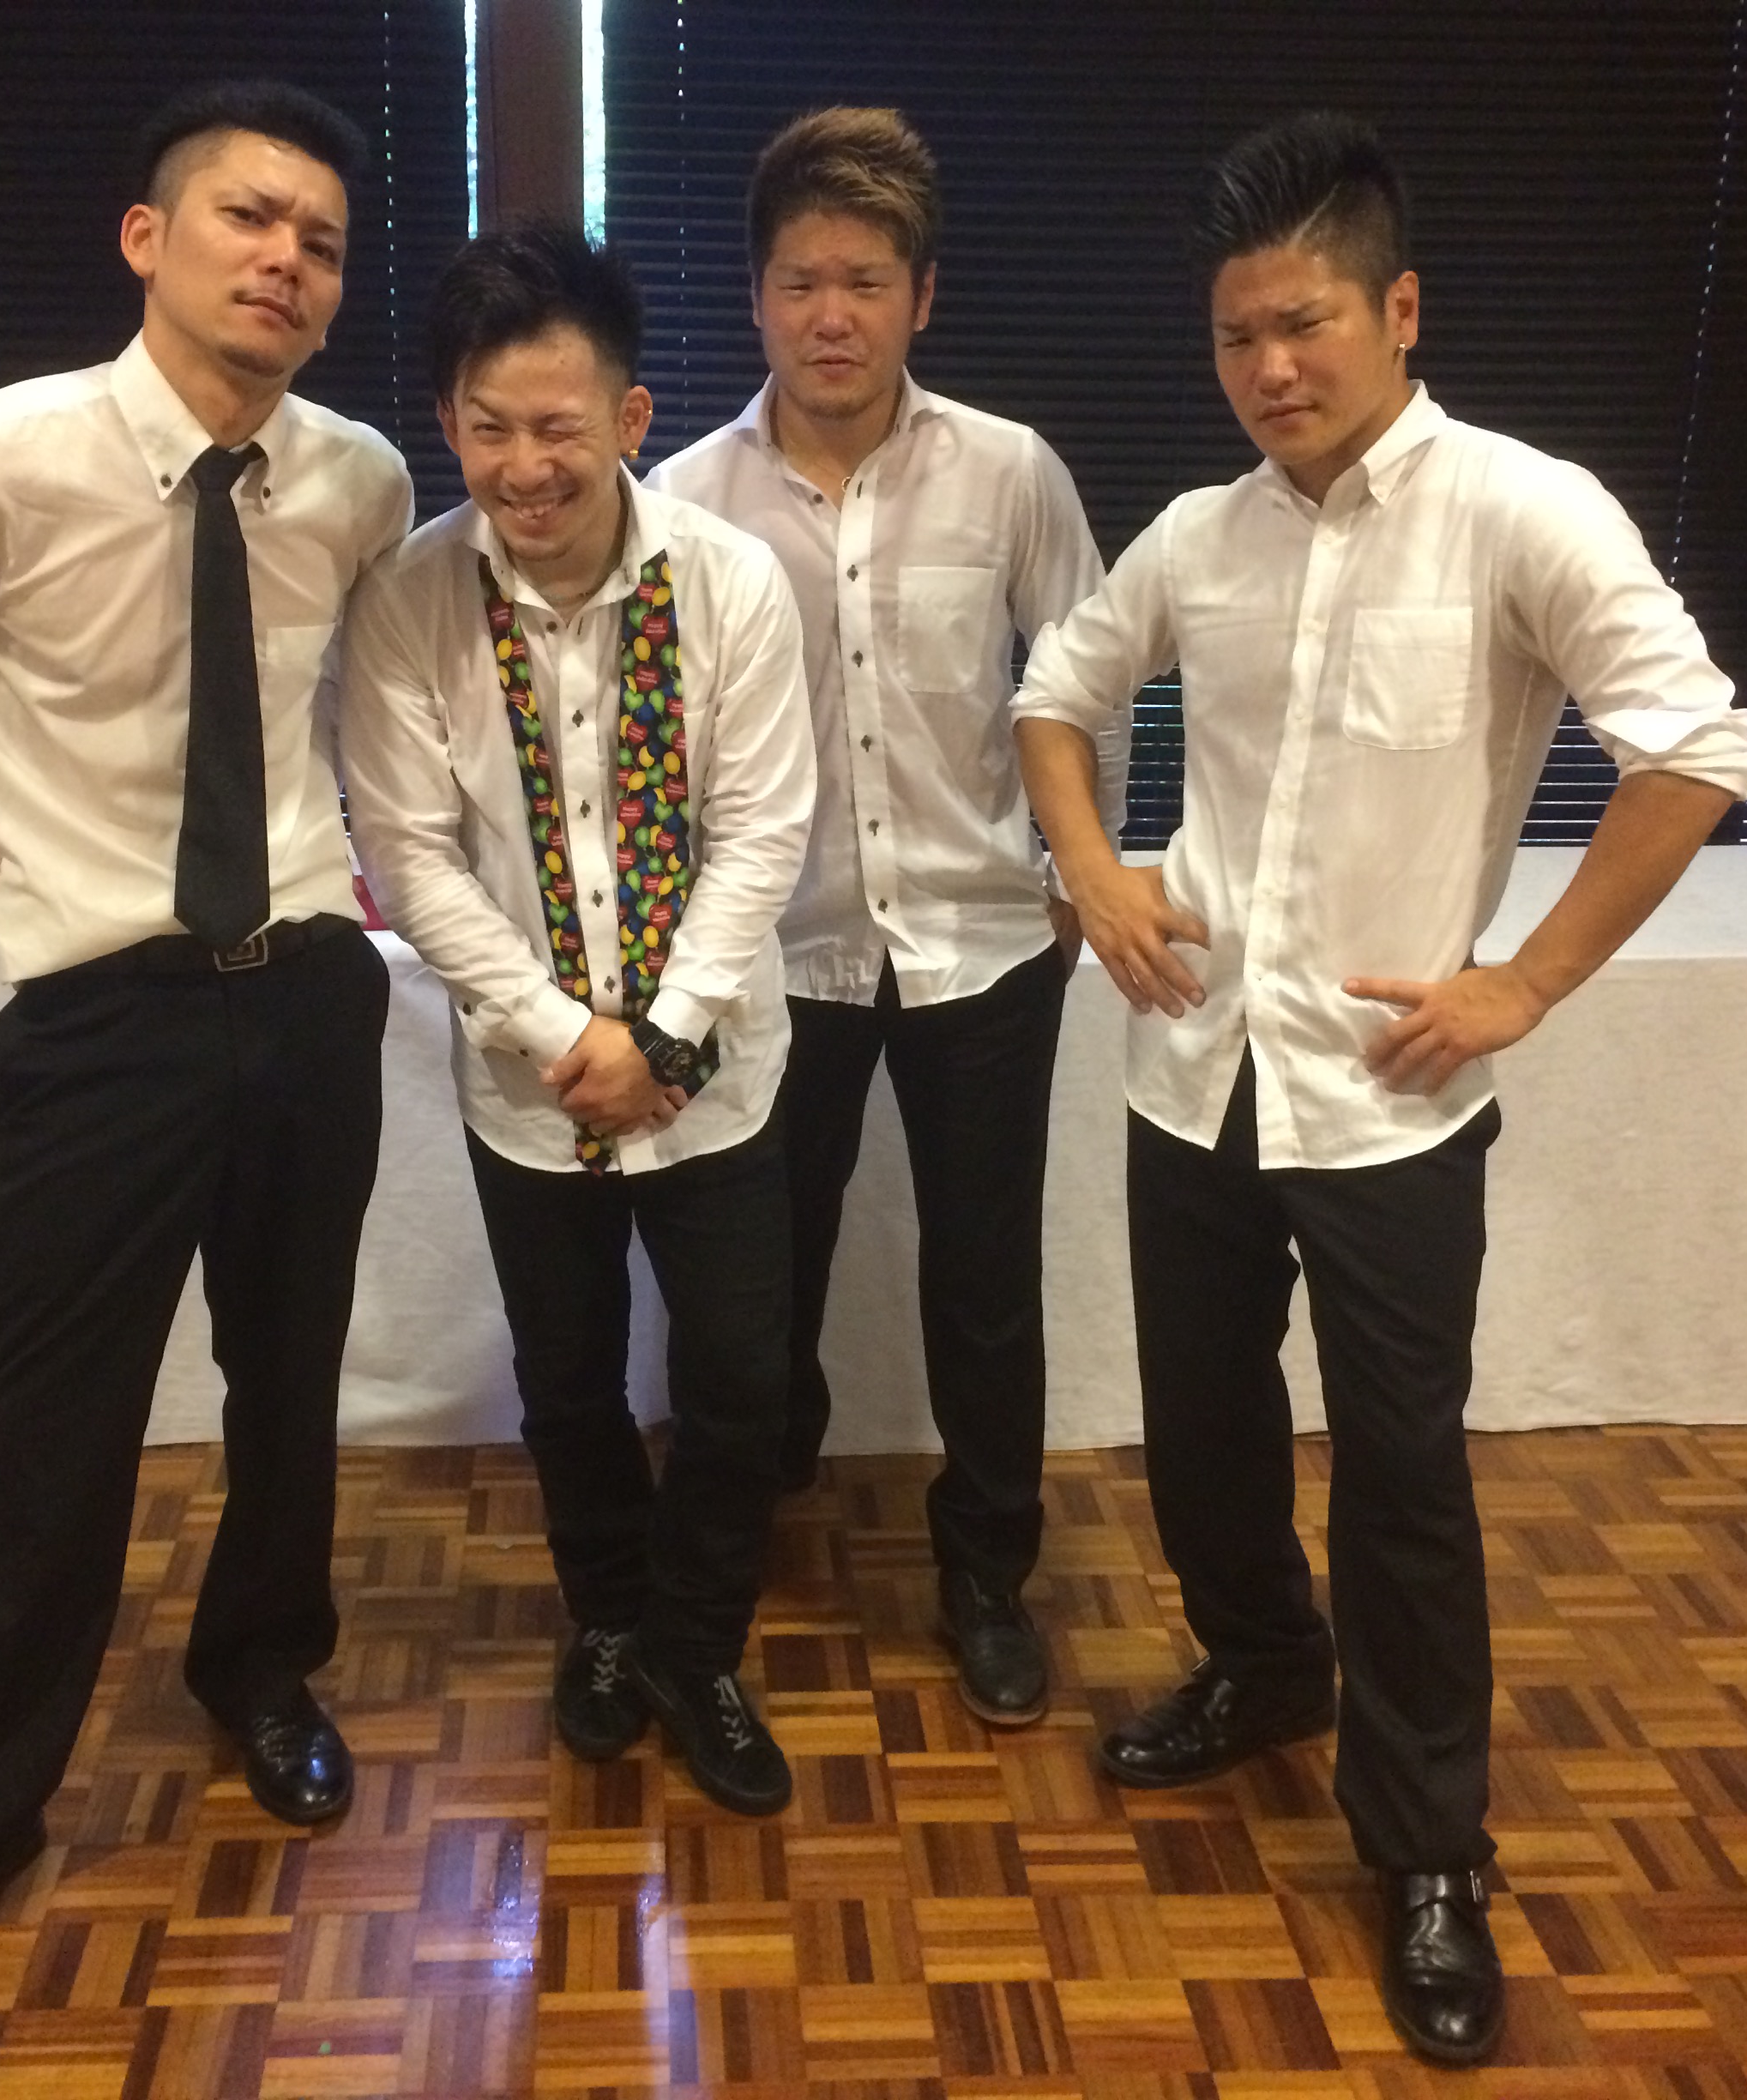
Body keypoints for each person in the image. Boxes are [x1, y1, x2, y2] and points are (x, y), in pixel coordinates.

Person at [1011, 112, 1747, 2067]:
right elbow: (1056, 694)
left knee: (1406, 1481)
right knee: (1200, 1431)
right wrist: (1095, 874)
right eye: (1237, 334)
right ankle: (1264, 1667)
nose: (1271, 367)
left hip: (1390, 1097)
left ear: (1398, 309)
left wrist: (1527, 978)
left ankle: (1429, 1850)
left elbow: (1694, 750)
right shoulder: (1201, 536)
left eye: (1307, 323)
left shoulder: (1525, 511)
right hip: (1193, 1070)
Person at [0, 80, 413, 2007]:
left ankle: (261, 1671)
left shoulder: (359, 480)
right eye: (250, 219)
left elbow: (380, 694)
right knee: (58, 1424)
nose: (287, 262)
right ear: (148, 237)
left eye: (322, 243)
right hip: (99, 1016)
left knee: (290, 1380)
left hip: (310, 983)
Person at [339, 225, 815, 1817]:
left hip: (715, 1077)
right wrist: (565, 1035)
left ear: (629, 416)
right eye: (487, 426)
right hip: (528, 1086)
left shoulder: (728, 581)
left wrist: (661, 1037)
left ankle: (697, 1646)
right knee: (567, 1382)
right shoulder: (410, 600)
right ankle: (611, 1622)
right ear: (446, 422)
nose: (524, 466)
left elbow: (762, 830)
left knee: (742, 1383)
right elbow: (408, 853)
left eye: (558, 425)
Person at [648, 109, 1116, 1729]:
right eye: (799, 282)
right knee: (756, 1275)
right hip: (775, 960)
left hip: (984, 948)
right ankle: (753, 1502)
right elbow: (663, 745)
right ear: (756, 297)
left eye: (863, 282)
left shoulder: (1010, 473)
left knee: (985, 1284)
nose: (830, 316)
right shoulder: (685, 499)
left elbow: (1084, 679)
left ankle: (986, 1574)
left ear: (923, 294)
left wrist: (1081, 871)